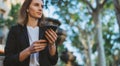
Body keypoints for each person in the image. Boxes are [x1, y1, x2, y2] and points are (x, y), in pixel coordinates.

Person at [3, 0, 58, 66]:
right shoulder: (15, 30)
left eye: (42, 6)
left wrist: (52, 45)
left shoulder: (46, 31)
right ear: (27, 9)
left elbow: (53, 61)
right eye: (36, 5)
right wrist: (28, 51)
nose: (40, 8)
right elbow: (7, 61)